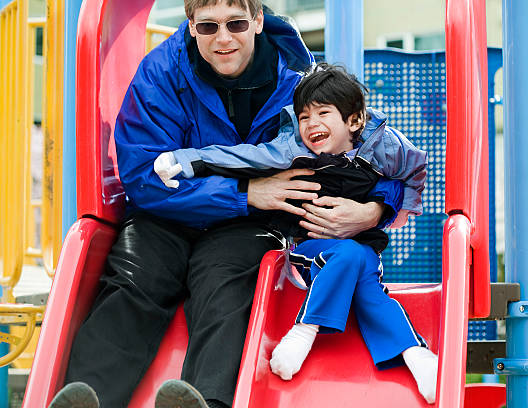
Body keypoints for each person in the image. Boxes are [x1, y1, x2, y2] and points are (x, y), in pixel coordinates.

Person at [48, 2, 404, 408]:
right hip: (167, 212)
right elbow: (142, 175)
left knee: (226, 283)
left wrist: (376, 210)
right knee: (135, 278)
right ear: (191, 24)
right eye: (208, 26)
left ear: (256, 20)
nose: (222, 39)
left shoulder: (298, 80)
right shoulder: (161, 73)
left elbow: (377, 150)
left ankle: (201, 402)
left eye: (235, 23)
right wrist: (245, 193)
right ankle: (87, 399)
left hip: (247, 223)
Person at [154, 63, 438, 404]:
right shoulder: (293, 150)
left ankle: (414, 355)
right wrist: (187, 160)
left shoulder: (384, 147)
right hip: (310, 250)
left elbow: (415, 169)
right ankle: (310, 332)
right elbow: (244, 158)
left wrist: (393, 210)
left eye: (323, 113)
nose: (311, 124)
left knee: (366, 278)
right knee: (351, 258)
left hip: (362, 249)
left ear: (354, 121)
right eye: (304, 116)